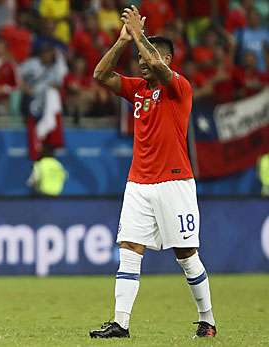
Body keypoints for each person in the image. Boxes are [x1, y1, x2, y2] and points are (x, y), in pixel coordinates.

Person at [89, 5, 217, 339]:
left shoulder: (179, 88)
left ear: (165, 59)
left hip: (174, 182)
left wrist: (140, 36)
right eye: (139, 59)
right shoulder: (138, 90)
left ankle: (208, 320)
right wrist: (122, 41)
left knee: (186, 254)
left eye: (147, 58)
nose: (141, 62)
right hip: (138, 183)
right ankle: (121, 323)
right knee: (129, 249)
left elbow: (158, 67)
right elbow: (100, 76)